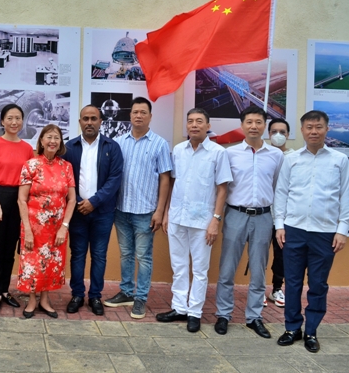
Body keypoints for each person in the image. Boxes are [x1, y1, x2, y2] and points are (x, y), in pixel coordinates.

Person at [274, 110, 348, 353]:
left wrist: (342, 230)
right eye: (309, 127)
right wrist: (279, 226)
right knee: (292, 282)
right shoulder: (291, 159)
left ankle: (312, 331)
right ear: (302, 130)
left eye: (318, 127)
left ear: (327, 129)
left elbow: (345, 196)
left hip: (325, 233)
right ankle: (292, 328)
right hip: (294, 230)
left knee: (318, 284)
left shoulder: (340, 160)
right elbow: (281, 193)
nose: (313, 131)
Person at [157, 108, 232, 333]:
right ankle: (179, 307)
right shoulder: (179, 150)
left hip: (203, 221)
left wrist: (215, 220)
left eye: (199, 121)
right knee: (179, 266)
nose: (194, 125)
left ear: (208, 126)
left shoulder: (218, 153)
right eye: (190, 121)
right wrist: (167, 213)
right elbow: (173, 184)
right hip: (177, 217)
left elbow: (222, 189)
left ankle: (195, 312)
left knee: (200, 269)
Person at [214, 106, 283, 338]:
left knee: (258, 269)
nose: (254, 126)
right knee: (227, 268)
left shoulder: (276, 155)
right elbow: (223, 188)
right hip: (235, 215)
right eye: (249, 122)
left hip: (264, 217)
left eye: (258, 122)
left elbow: (277, 188)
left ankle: (254, 317)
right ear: (242, 125)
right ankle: (223, 314)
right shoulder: (230, 154)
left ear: (265, 126)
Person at [104, 97, 172, 319]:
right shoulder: (119, 142)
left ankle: (141, 297)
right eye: (135, 112)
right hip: (121, 209)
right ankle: (126, 292)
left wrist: (160, 210)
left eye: (143, 112)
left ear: (150, 116)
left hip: (146, 211)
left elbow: (165, 179)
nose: (139, 116)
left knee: (143, 256)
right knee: (125, 254)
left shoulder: (160, 144)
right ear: (130, 115)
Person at [61, 105, 123, 316]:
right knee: (77, 254)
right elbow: (65, 179)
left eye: (93, 118)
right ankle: (77, 294)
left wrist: (94, 202)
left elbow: (115, 179)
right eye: (85, 118)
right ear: (79, 121)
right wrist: (79, 202)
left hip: (103, 212)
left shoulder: (111, 147)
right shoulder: (69, 147)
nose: (89, 122)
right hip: (77, 211)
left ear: (100, 121)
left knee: (99, 255)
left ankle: (95, 295)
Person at [17, 125, 76, 319]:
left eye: (56, 138)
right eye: (49, 137)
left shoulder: (66, 166)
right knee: (33, 263)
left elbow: (72, 199)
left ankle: (44, 299)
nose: (53, 141)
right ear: (41, 141)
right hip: (33, 225)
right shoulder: (30, 165)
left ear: (60, 142)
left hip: (57, 228)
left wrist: (64, 227)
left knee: (51, 263)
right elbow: (22, 199)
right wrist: (27, 228)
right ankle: (32, 300)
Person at [0, 104, 34, 312]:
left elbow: (30, 180)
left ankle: (4, 290)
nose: (14, 122)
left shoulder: (27, 148)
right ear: (1, 121)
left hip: (19, 201)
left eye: (18, 118)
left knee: (11, 249)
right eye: (10, 118)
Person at [266, 118, 294, 308]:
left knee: (281, 254)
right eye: (274, 131)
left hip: (284, 216)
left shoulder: (294, 157)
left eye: (282, 132)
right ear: (268, 134)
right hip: (264, 213)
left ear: (288, 135)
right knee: (258, 253)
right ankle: (258, 289)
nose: (278, 135)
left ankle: (277, 288)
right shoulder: (264, 155)